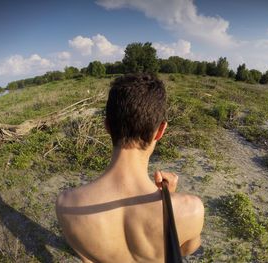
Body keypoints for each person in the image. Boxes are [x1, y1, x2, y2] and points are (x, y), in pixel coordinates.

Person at [56, 73, 204, 263]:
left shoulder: (66, 205)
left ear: (107, 126)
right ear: (160, 130)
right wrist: (170, 199)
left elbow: (87, 258)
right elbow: (186, 249)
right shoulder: (191, 209)